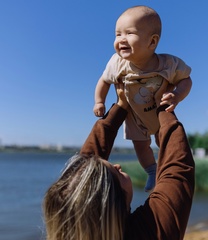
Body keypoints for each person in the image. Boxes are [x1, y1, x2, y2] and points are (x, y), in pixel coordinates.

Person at [43, 83, 195, 240]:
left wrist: (122, 105)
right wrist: (163, 106)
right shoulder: (149, 232)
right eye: (114, 172)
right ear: (116, 200)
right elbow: (177, 171)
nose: (118, 166)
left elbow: (85, 168)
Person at [93, 5, 192, 191]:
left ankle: (165, 170)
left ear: (152, 42)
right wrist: (99, 101)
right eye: (117, 34)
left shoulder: (169, 64)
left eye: (129, 33)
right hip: (135, 117)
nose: (121, 39)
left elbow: (186, 80)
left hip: (160, 112)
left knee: (165, 142)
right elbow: (103, 81)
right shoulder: (117, 63)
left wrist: (177, 95)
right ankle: (152, 171)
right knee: (140, 145)